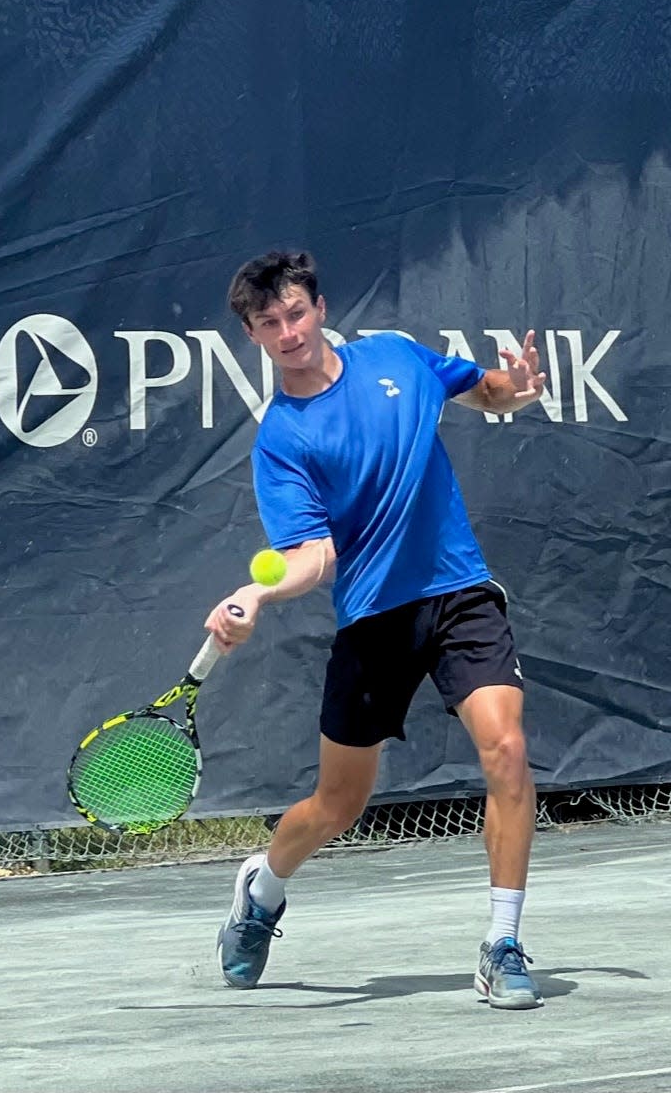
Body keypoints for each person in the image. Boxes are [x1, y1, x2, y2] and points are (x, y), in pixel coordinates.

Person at [205, 249, 548, 1010]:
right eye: (269, 323)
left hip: (459, 591)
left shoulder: (394, 356)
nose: (287, 330)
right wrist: (256, 597)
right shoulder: (283, 437)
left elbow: (481, 390)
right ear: (254, 336)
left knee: (508, 749)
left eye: (295, 313)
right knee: (336, 806)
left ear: (319, 308)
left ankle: (503, 943)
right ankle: (260, 890)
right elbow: (312, 554)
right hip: (372, 619)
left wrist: (516, 392)